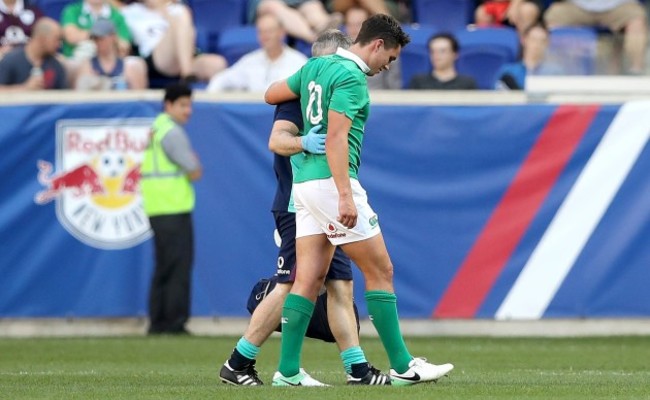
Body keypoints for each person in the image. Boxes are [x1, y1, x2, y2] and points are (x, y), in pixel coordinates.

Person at [264, 13, 454, 386]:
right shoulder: (351, 77)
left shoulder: (316, 66)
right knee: (380, 271)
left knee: (309, 279)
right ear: (377, 45)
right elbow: (336, 139)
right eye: (391, 58)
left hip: (302, 185)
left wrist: (305, 121)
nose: (388, 66)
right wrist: (346, 197)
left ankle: (287, 372)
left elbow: (271, 93)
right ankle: (403, 366)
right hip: (331, 185)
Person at [219, 29, 390, 387]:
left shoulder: (325, 90)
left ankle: (356, 369)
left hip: (317, 201)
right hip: (299, 204)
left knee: (341, 284)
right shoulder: (299, 95)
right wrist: (304, 142)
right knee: (291, 285)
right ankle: (239, 362)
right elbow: (276, 140)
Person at [140, 82, 202, 335]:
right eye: (183, 105)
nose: (188, 111)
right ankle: (174, 323)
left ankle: (158, 322)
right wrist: (195, 164)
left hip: (158, 207)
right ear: (169, 105)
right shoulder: (172, 132)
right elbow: (194, 169)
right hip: (173, 207)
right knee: (178, 267)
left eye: (190, 105)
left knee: (164, 267)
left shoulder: (157, 128)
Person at [121, 0, 226, 82]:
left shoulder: (173, 8)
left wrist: (163, 9)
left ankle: (188, 74)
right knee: (181, 12)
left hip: (186, 57)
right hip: (157, 58)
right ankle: (187, 74)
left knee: (217, 64)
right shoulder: (129, 11)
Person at [207, 14, 307, 92]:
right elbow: (220, 80)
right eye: (261, 32)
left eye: (269, 31)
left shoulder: (300, 63)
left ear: (282, 33)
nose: (265, 36)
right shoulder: (250, 61)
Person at [544, 0, 647, 74]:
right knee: (552, 17)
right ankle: (552, 70)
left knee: (637, 20)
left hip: (619, 5)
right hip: (576, 5)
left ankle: (636, 70)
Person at [75, 18, 148, 90]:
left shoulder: (128, 68)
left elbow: (139, 98)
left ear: (113, 37)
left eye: (101, 38)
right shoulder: (87, 66)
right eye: (95, 38)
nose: (98, 42)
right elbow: (78, 98)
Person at [0, 17, 66, 91]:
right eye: (56, 39)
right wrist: (24, 88)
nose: (58, 44)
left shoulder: (56, 66)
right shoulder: (11, 61)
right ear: (42, 39)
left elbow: (63, 96)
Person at [344, 6, 401, 89]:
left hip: (378, 99)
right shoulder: (336, 54)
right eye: (350, 25)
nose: (354, 29)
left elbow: (394, 90)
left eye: (358, 24)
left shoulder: (386, 53)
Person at [495, 22, 563, 89]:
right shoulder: (508, 72)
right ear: (524, 40)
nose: (537, 45)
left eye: (542, 41)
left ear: (547, 44)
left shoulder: (555, 73)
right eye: (533, 39)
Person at [61, 0, 132, 60]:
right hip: (77, 61)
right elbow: (71, 37)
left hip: (109, 61)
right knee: (87, 48)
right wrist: (105, 33)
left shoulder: (117, 15)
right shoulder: (72, 11)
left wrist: (90, 35)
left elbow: (124, 47)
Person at [248, 0, 342, 43]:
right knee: (276, 7)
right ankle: (313, 37)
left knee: (311, 5)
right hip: (266, 3)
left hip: (295, 2)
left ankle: (324, 25)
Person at [408, 32, 477, 90]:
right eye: (432, 51)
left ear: (455, 54)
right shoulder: (418, 82)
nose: (436, 55)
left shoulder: (467, 84)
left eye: (442, 51)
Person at [475, 0, 543, 34]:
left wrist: (514, 5)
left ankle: (523, 47)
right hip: (497, 4)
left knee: (527, 10)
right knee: (482, 13)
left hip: (523, 3)